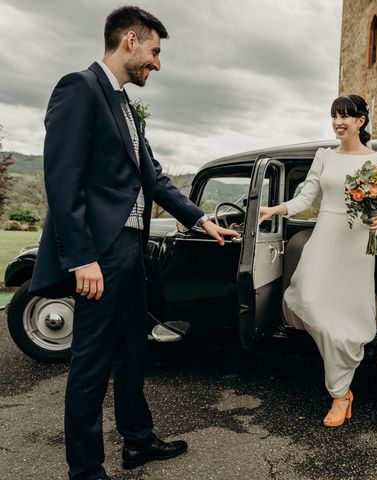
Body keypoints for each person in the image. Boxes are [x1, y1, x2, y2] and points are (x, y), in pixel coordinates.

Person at [29, 6, 240, 480]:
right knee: (90, 363)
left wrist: (201, 219)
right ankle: (85, 470)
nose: (158, 64)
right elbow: (63, 183)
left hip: (129, 252)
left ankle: (138, 442)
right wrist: (82, 257)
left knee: (132, 348)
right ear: (130, 40)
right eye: (155, 51)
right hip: (99, 254)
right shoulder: (78, 88)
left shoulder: (124, 104)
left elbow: (155, 178)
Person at [259, 94, 377, 427]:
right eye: (334, 116)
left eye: (345, 116)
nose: (338, 122)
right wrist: (275, 209)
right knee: (308, 300)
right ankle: (341, 388)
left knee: (344, 320)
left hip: (356, 247)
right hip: (325, 239)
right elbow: (304, 198)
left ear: (361, 120)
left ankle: (340, 394)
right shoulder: (324, 156)